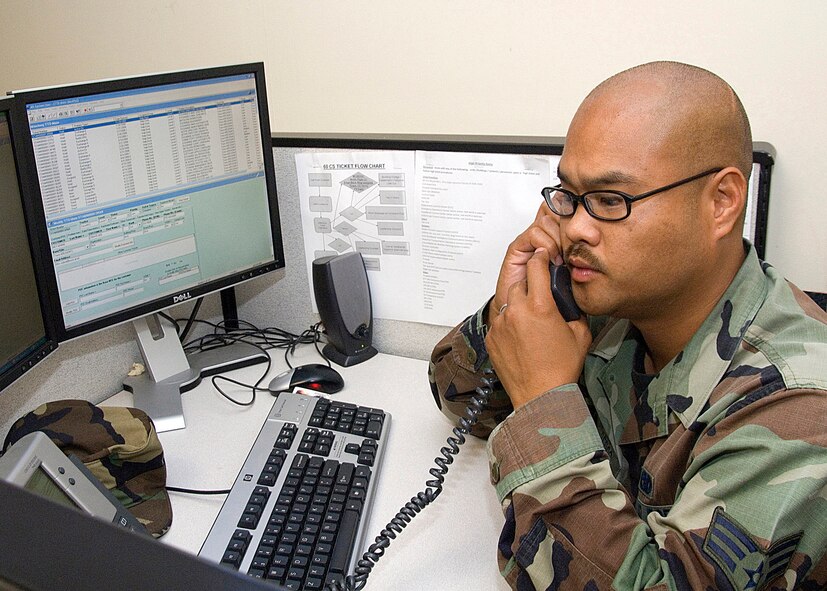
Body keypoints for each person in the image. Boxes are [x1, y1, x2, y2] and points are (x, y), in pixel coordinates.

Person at [428, 61, 827, 590]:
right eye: (568, 195)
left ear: (722, 202)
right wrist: (514, 306)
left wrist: (545, 405)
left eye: (611, 200)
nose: (574, 228)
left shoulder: (798, 414)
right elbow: (460, 401)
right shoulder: (615, 298)